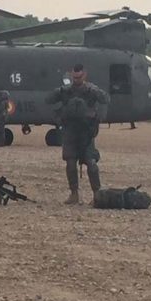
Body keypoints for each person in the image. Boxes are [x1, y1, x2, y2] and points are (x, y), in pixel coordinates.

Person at [46, 64, 109, 204]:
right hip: (70, 130)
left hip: (86, 132)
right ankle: (74, 194)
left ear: (84, 75)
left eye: (79, 77)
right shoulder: (66, 91)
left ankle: (97, 194)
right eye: (74, 77)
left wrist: (98, 115)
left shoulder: (91, 90)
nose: (77, 80)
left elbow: (105, 99)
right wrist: (59, 93)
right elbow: (49, 100)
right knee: (70, 162)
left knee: (91, 164)